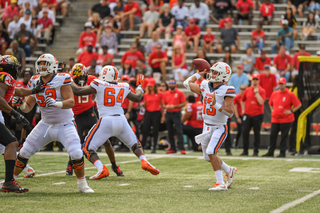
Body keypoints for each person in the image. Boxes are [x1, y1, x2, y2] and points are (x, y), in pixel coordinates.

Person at [13, 54, 94, 193]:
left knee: (76, 153)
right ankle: (10, 180)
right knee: (24, 151)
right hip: (45, 124)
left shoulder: (61, 78)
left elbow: (71, 102)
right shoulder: (34, 80)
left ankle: (82, 185)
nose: (41, 67)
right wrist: (20, 105)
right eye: (40, 63)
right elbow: (28, 107)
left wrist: (57, 103)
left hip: (65, 123)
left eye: (45, 64)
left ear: (53, 65)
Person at [71, 66, 160, 177]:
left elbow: (77, 91)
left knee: (87, 148)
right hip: (121, 120)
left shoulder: (99, 83)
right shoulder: (124, 86)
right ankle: (144, 160)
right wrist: (139, 86)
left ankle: (101, 168)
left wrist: (68, 79)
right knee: (134, 144)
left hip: (106, 120)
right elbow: (137, 98)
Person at [183, 62, 237, 191]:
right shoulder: (204, 85)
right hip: (206, 127)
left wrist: (216, 105)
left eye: (215, 72)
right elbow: (187, 84)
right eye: (212, 71)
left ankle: (220, 183)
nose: (212, 74)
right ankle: (229, 170)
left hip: (219, 127)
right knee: (208, 157)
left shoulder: (227, 89)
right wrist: (197, 74)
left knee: (211, 152)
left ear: (223, 75)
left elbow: (230, 113)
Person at [66, 63, 123, 177]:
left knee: (106, 141)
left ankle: (114, 165)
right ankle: (70, 164)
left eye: (84, 76)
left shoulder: (92, 79)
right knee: (75, 143)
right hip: (77, 116)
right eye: (79, 77)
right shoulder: (69, 80)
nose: (82, 79)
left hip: (90, 113)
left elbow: (106, 83)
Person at [0, 55, 43, 193]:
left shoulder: (6, 80)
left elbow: (17, 91)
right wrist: (16, 114)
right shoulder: (5, 76)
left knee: (8, 145)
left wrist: (33, 91)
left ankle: (9, 180)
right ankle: (8, 182)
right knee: (12, 143)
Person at [262, 77, 301, 158]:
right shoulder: (274, 93)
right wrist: (272, 111)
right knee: (273, 135)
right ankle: (271, 151)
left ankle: (282, 152)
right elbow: (270, 103)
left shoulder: (290, 94)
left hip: (286, 119)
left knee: (284, 136)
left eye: (282, 84)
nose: (281, 85)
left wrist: (291, 111)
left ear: (285, 84)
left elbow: (298, 104)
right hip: (275, 118)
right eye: (280, 84)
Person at [240, 73, 266, 156]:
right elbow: (242, 100)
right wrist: (243, 109)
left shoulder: (262, 90)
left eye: (256, 79)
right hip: (248, 114)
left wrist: (257, 93)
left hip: (257, 114)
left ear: (259, 81)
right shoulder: (247, 90)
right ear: (251, 80)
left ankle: (256, 151)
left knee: (256, 133)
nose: (255, 81)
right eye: (253, 79)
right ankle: (245, 150)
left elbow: (261, 102)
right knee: (245, 132)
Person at [163, 78, 186, 154]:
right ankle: (172, 148)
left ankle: (181, 148)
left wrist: (175, 106)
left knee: (179, 131)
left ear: (175, 84)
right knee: (170, 131)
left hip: (176, 113)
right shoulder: (166, 93)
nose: (171, 84)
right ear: (168, 84)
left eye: (173, 83)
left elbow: (183, 103)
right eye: (170, 83)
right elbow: (163, 104)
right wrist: (166, 107)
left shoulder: (180, 93)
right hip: (168, 113)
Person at [141, 78, 165, 153]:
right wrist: (143, 105)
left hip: (156, 113)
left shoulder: (160, 94)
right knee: (145, 129)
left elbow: (162, 105)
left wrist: (163, 116)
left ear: (154, 86)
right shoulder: (146, 94)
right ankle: (142, 146)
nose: (150, 87)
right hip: (148, 112)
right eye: (149, 86)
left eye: (151, 86)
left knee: (155, 130)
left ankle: (154, 147)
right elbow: (145, 105)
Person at [233, 84, 247, 149]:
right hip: (239, 115)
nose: (242, 90)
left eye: (244, 89)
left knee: (245, 131)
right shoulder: (237, 97)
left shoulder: (248, 97)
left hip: (246, 115)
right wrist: (237, 117)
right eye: (241, 89)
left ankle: (244, 145)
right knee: (240, 130)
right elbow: (235, 108)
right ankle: (236, 142)